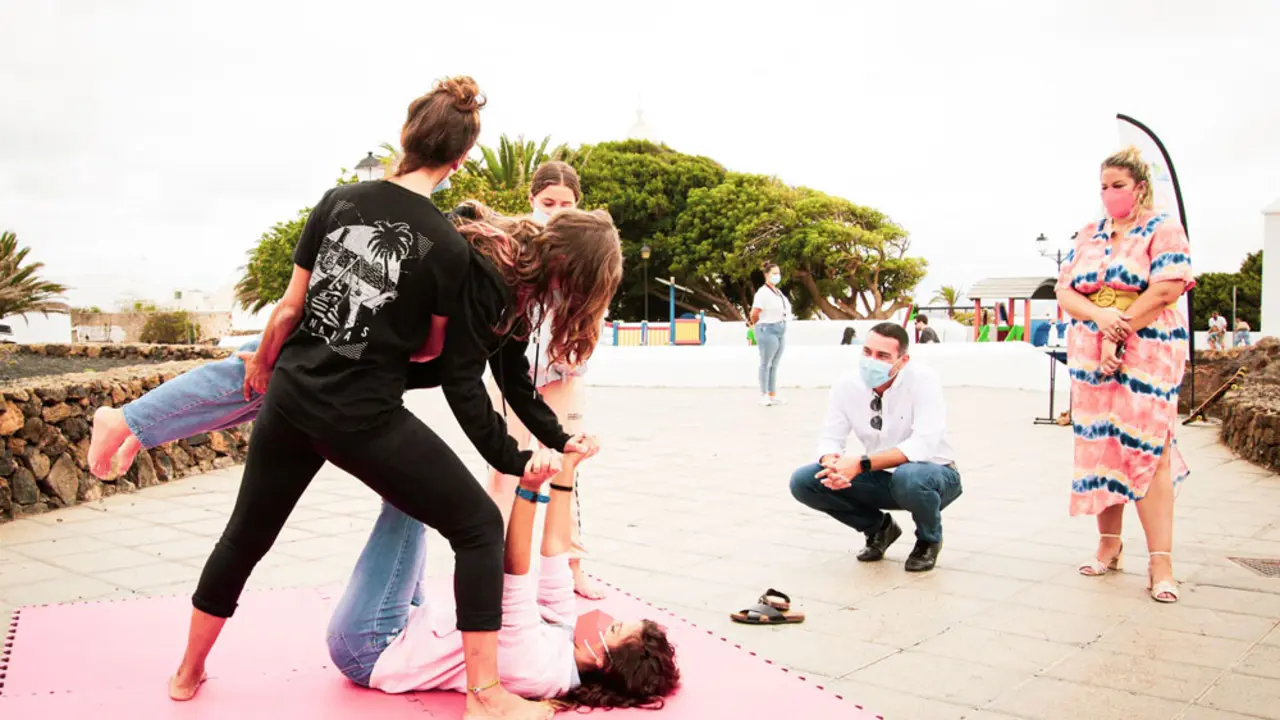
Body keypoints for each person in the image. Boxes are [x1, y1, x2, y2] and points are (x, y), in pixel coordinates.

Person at [163, 78, 623, 720]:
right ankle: (485, 694)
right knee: (477, 527)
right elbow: (455, 373)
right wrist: (517, 462)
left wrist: (264, 367)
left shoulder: (340, 200)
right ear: (461, 158)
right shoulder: (448, 247)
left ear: (407, 136)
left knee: (245, 538)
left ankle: (187, 671)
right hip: (362, 418)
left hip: (293, 398)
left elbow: (291, 310)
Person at [326, 448, 680, 710]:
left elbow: (514, 576)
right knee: (414, 492)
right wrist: (567, 470)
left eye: (614, 629)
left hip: (373, 646)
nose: (607, 620)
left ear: (603, 661)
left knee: (407, 493)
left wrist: (528, 491)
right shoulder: (566, 639)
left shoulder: (541, 670)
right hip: (413, 620)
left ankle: (327, 425)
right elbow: (555, 550)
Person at [1054, 146, 1195, 604]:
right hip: (1092, 351)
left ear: (1138, 186)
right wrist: (1099, 319)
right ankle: (1109, 545)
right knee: (1101, 447)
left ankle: (1161, 559)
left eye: (1118, 185)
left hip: (1147, 349)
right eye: (1103, 186)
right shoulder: (1090, 233)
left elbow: (1168, 287)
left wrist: (1121, 328)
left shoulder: (1163, 227)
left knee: (1147, 449)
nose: (1109, 193)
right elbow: (1066, 290)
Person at [483, 161, 604, 600]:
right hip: (513, 375)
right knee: (504, 468)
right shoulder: (516, 246)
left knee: (566, 466)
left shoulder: (588, 250)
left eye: (565, 204)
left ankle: (570, 565)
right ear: (532, 201)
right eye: (547, 203)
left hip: (564, 372)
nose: (555, 211)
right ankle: (496, 567)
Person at [788, 322, 961, 572]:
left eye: (882, 356)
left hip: (933, 477)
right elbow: (830, 437)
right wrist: (832, 463)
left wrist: (860, 464)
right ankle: (879, 529)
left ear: (902, 360)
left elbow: (922, 446)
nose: (871, 361)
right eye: (867, 352)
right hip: (880, 477)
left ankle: (928, 539)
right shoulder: (846, 385)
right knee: (805, 481)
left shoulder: (923, 381)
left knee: (909, 475)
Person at [749, 262, 791, 406]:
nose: (777, 276)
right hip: (767, 329)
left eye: (778, 273)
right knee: (765, 364)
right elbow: (754, 313)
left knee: (774, 364)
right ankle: (764, 394)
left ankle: (772, 394)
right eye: (774, 273)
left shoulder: (777, 292)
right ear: (766, 275)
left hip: (780, 329)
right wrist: (754, 324)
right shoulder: (762, 293)